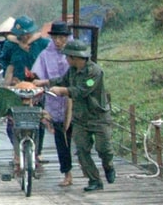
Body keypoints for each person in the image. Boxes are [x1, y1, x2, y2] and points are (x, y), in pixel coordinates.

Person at [34, 39, 115, 192]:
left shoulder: (95, 72)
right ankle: (94, 180)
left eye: (68, 57)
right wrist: (44, 83)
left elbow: (82, 90)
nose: (65, 59)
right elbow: (62, 81)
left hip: (98, 117)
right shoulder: (72, 71)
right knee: (82, 150)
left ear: (75, 57)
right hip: (81, 118)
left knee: (103, 149)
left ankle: (108, 165)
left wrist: (63, 91)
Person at [0, 15, 49, 162]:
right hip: (16, 87)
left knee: (38, 120)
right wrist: (9, 82)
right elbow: (6, 63)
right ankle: (17, 151)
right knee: (12, 121)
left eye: (27, 34)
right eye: (21, 35)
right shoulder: (10, 46)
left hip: (37, 87)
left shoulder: (42, 43)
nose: (25, 37)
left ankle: (37, 152)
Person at [31, 21, 74, 186]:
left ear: (67, 38)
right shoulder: (45, 54)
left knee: (80, 139)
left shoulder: (73, 52)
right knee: (61, 140)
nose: (58, 41)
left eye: (62, 37)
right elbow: (38, 75)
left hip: (74, 100)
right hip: (55, 102)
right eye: (55, 37)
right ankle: (67, 173)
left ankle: (87, 167)